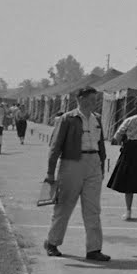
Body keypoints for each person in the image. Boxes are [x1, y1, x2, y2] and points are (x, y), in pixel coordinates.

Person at [42, 87, 110, 262]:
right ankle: (52, 242)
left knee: (93, 208)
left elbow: (100, 143)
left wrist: (101, 164)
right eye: (91, 98)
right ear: (80, 99)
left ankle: (94, 248)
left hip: (93, 163)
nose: (95, 102)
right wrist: (50, 172)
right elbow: (55, 146)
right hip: (72, 163)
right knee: (64, 205)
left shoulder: (97, 119)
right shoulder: (67, 119)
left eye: (96, 99)